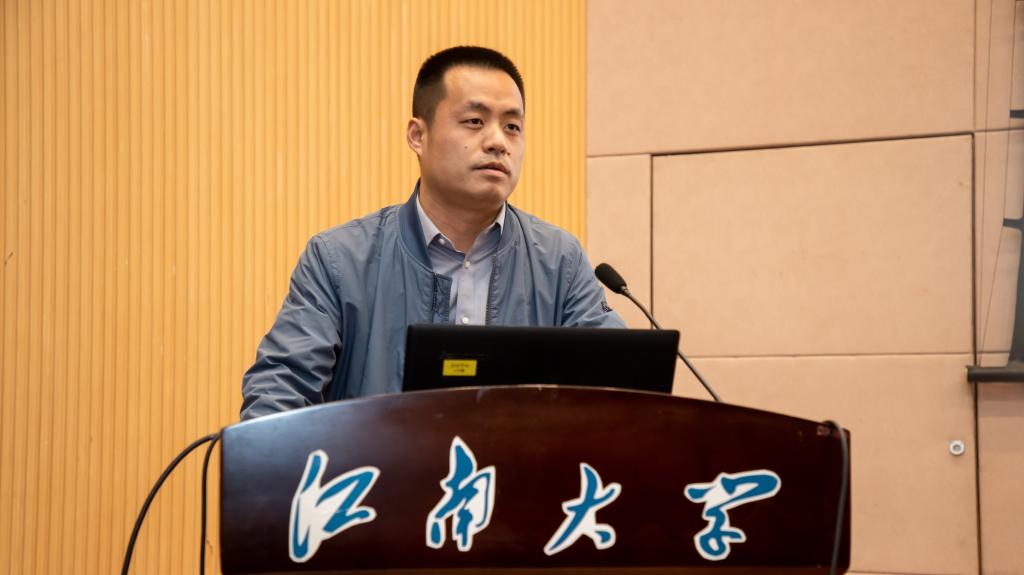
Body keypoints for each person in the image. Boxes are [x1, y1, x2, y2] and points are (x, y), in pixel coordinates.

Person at [240, 46, 624, 421]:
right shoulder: (339, 260)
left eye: (512, 127)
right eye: (474, 121)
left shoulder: (559, 261)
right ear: (417, 136)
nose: (498, 142)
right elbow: (279, 392)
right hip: (380, 465)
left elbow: (620, 389)